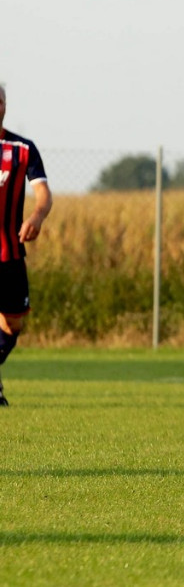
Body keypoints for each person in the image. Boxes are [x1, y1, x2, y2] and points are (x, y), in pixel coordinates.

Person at [0, 83, 53, 406]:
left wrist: (36, 216)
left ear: (5, 104)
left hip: (9, 252)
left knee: (12, 323)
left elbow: (44, 195)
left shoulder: (23, 149)